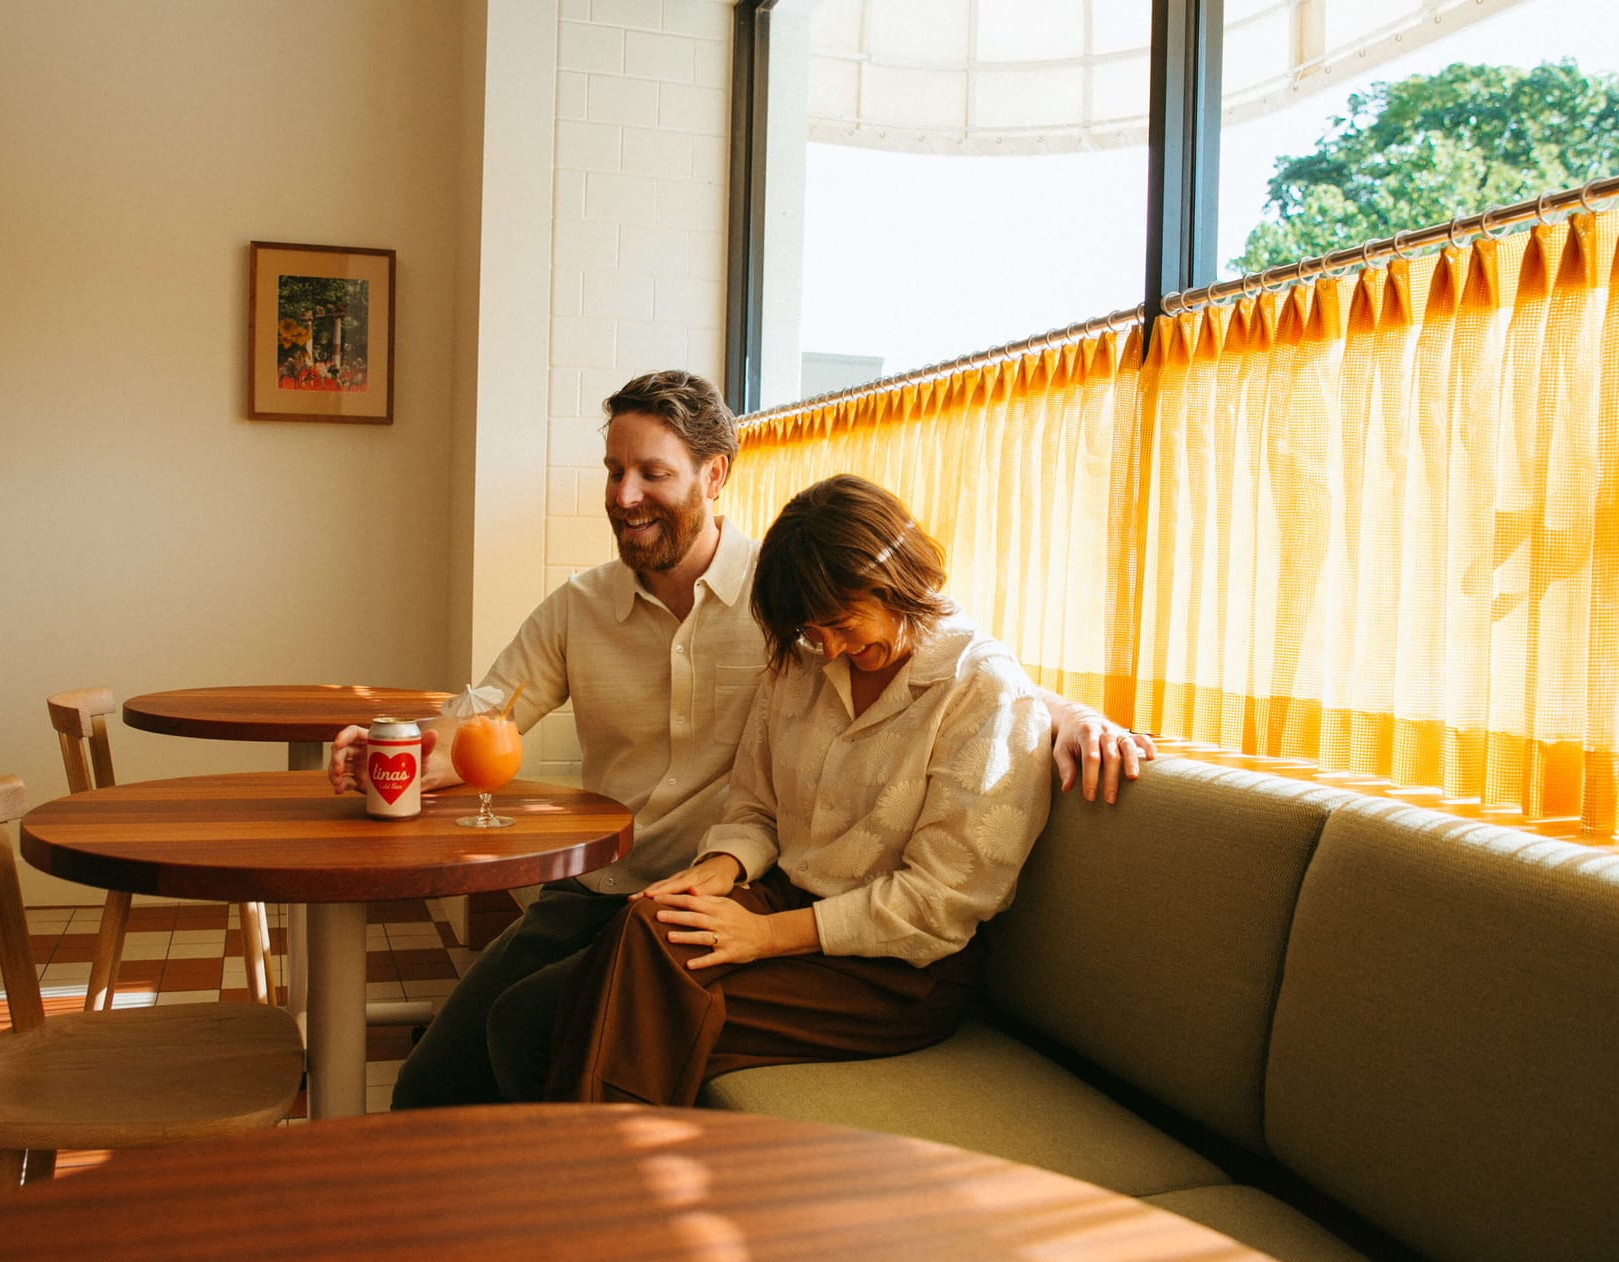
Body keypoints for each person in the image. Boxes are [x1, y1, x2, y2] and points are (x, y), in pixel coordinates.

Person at [327, 371, 1152, 1108]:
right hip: (620, 886)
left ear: (714, 475)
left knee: (554, 1024)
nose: (624, 495)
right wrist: (392, 753)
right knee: (441, 1076)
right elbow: (488, 713)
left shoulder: (791, 594)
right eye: (614, 471)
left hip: (758, 908)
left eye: (652, 472)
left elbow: (956, 669)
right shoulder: (611, 611)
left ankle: (572, 1189)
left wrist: (1070, 715)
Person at [527, 474, 1051, 1104]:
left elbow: (938, 904)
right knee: (648, 924)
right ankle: (594, 1154)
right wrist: (721, 867)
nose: (826, 647)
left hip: (896, 971)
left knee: (620, 1009)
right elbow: (755, 806)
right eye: (810, 629)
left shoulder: (983, 691)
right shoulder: (804, 660)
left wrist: (767, 937)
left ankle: (576, 1155)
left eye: (839, 622)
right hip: (782, 898)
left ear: (893, 579)